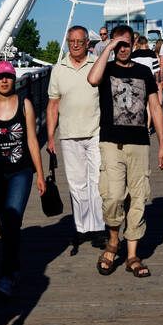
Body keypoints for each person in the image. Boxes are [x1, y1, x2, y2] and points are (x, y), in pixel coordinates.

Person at [88, 25, 163, 279]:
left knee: (138, 199)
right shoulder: (106, 69)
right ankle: (113, 242)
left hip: (139, 144)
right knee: (112, 196)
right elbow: (92, 79)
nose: (123, 49)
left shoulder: (144, 72)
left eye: (127, 44)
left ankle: (132, 254)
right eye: (118, 44)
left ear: (134, 44)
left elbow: (154, 107)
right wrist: (109, 48)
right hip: (112, 143)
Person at [0, 60, 45, 297]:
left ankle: (6, 276)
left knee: (12, 219)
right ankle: (14, 268)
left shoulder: (24, 105)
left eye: (8, 76)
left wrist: (40, 175)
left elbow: (31, 140)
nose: (4, 80)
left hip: (20, 171)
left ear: (14, 79)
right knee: (4, 224)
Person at [46, 26, 106, 255]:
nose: (76, 44)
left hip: (95, 131)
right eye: (72, 41)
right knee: (77, 183)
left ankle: (98, 227)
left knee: (97, 183)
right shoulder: (58, 69)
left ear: (87, 43)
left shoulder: (97, 64)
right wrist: (50, 135)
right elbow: (53, 104)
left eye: (80, 41)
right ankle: (82, 228)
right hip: (69, 133)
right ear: (67, 43)